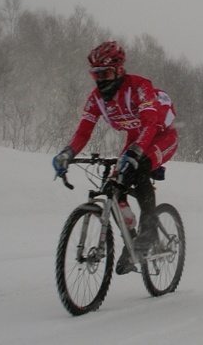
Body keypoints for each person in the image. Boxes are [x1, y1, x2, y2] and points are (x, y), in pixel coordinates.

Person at [53, 41, 178, 274]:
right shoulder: (95, 99)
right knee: (114, 184)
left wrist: (138, 150)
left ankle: (149, 232)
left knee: (139, 167)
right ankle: (131, 240)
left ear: (120, 70)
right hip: (136, 137)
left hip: (161, 136)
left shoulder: (139, 87)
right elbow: (83, 132)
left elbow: (150, 122)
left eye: (106, 73)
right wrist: (67, 153)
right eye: (96, 75)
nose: (101, 81)